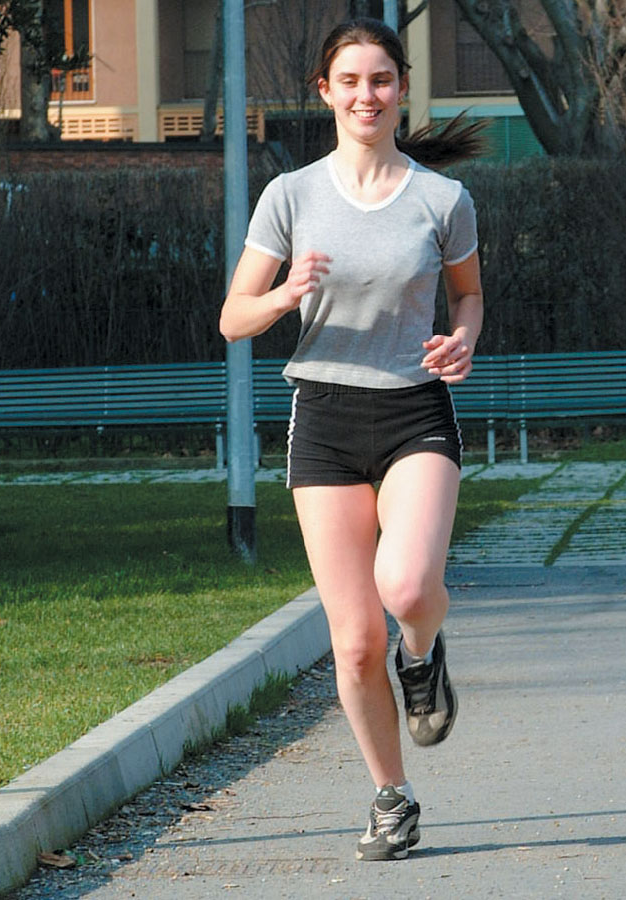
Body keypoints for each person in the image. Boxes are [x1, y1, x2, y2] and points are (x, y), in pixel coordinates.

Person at [219, 18, 484, 862]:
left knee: (406, 590)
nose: (365, 95)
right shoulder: (290, 196)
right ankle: (391, 796)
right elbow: (233, 319)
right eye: (350, 80)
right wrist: (285, 294)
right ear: (324, 91)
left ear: (401, 89)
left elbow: (467, 298)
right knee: (351, 639)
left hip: (413, 410)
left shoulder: (441, 199)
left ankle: (424, 655)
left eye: (380, 79)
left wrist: (463, 338)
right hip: (324, 420)